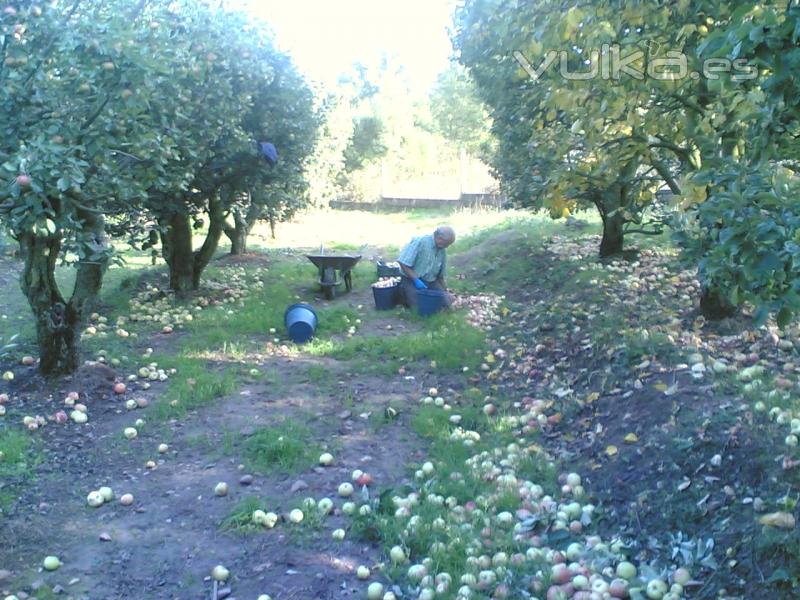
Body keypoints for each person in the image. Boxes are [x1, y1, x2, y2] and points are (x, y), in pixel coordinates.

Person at [397, 225, 456, 310]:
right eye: (447, 244)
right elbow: (403, 263)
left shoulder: (442, 251)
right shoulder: (420, 242)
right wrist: (416, 280)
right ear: (439, 238)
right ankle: (403, 294)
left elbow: (440, 276)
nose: (447, 247)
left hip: (431, 281)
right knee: (420, 308)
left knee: (445, 305)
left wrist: (446, 292)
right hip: (411, 280)